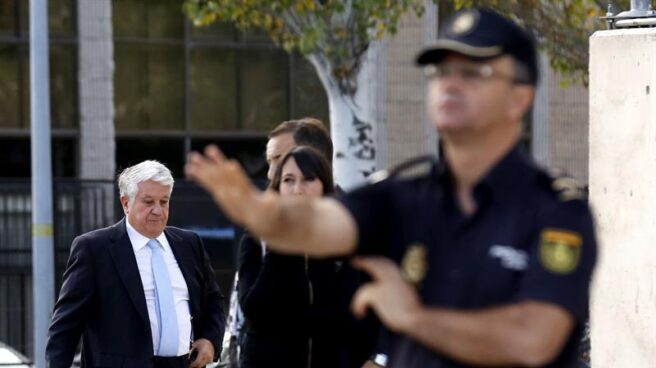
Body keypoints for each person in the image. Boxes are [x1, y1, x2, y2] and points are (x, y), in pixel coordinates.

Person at [187, 8, 597, 367]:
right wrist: (261, 213)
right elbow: (321, 223)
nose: (451, 83)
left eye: (474, 72)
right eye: (442, 71)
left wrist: (414, 318)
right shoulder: (403, 196)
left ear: (519, 98)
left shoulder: (556, 209)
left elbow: (534, 339)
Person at [225, 117, 381, 368]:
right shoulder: (259, 235)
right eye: (274, 165)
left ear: (317, 162)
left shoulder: (350, 232)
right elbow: (246, 314)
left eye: (280, 158)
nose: (271, 172)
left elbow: (364, 316)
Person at [46, 160, 226, 368]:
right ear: (125, 203)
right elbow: (65, 327)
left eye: (164, 201)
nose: (158, 210)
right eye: (148, 202)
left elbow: (213, 299)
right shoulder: (94, 249)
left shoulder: (189, 243)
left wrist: (211, 340)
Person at [238, 146, 340, 368]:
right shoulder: (258, 236)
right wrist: (282, 245)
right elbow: (253, 310)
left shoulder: (341, 238)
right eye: (288, 180)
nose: (297, 190)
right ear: (278, 186)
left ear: (324, 185)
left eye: (308, 179)